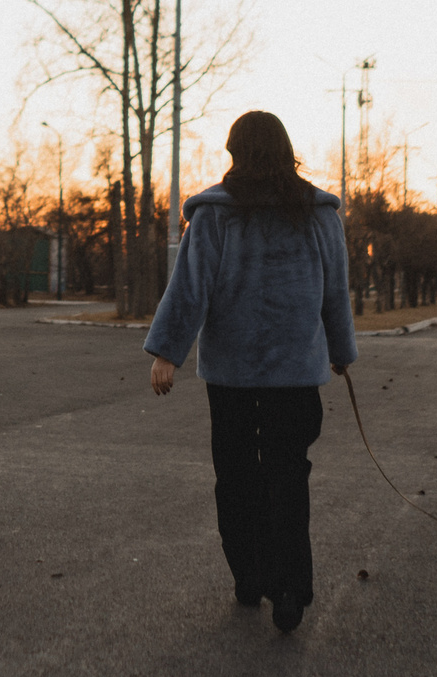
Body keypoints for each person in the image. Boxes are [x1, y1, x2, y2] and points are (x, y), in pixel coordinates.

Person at [143, 110, 357, 635]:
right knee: (288, 476)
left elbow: (190, 290)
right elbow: (336, 291)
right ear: (287, 151)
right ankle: (289, 590)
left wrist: (166, 352)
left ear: (236, 153)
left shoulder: (215, 216)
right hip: (295, 374)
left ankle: (248, 574)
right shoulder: (319, 214)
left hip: (233, 376)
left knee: (236, 476)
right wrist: (340, 350)